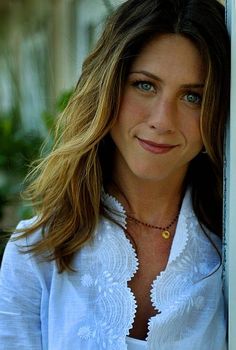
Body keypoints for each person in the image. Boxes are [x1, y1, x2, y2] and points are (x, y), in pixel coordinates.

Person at [0, 0, 230, 349]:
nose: (162, 120)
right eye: (145, 85)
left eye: (193, 97)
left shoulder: (226, 247)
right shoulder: (36, 251)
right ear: (108, 88)